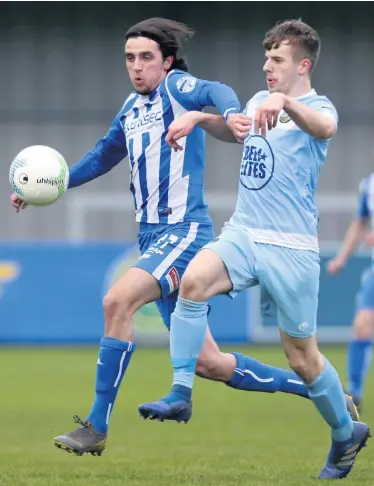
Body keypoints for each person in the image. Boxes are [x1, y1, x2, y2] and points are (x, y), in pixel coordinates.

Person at [11, 17, 358, 458]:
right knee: (210, 363)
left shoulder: (178, 88)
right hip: (154, 236)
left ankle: (95, 426)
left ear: (167, 61)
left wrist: (226, 112)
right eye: (129, 58)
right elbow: (102, 156)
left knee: (117, 301)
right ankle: (324, 395)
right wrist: (52, 186)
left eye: (146, 58)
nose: (136, 67)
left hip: (184, 232)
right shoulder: (132, 111)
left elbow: (215, 91)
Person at [138, 19, 370, 480]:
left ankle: (345, 433)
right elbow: (238, 131)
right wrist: (202, 119)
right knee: (193, 282)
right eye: (266, 58)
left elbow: (324, 129)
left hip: (292, 248)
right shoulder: (261, 100)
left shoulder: (318, 106)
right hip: (244, 231)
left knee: (302, 358)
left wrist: (285, 103)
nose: (267, 67)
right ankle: (181, 393)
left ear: (302, 66)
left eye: (277, 60)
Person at [327, 172, 374, 413]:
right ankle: (355, 393)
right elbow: (360, 223)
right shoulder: (368, 185)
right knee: (362, 324)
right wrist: (341, 259)